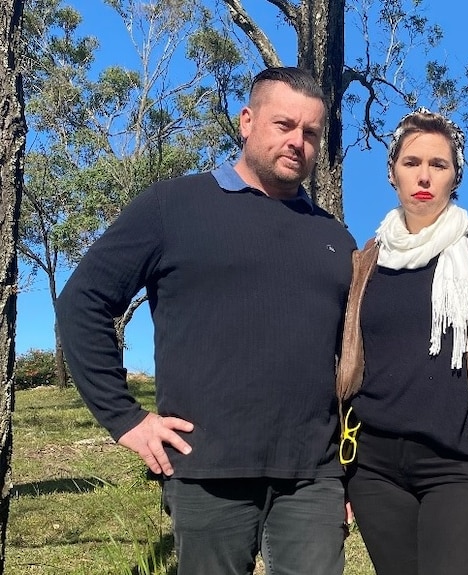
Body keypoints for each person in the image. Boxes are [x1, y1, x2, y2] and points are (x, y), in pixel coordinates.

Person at [55, 66, 357, 575]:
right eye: (283, 124)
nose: (297, 142)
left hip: (315, 477)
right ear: (246, 120)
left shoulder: (335, 240)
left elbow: (359, 361)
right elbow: (83, 300)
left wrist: (354, 474)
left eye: (310, 132)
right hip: (206, 470)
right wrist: (125, 418)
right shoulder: (174, 207)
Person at [335, 108, 468, 575]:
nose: (423, 176)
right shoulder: (366, 262)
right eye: (411, 163)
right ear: (392, 173)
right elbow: (346, 361)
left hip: (461, 464)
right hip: (374, 466)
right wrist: (339, 470)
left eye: (438, 165)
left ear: (454, 177)